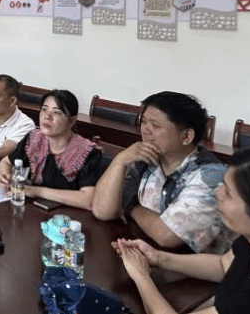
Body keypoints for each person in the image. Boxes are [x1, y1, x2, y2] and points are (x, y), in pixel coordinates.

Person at [114, 146, 250, 314]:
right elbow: (223, 265)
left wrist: (140, 275)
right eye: (222, 185)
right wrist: (159, 258)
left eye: (228, 193)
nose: (217, 193)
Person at [92, 91, 232, 252]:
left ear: (186, 136)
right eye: (144, 122)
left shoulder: (211, 175)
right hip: (149, 253)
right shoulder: (145, 159)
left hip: (191, 263)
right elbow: (102, 211)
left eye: (155, 125)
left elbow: (167, 235)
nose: (145, 130)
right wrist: (120, 161)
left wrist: (131, 206)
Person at [0, 89, 102, 209]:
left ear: (72, 121)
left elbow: (88, 200)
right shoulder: (33, 139)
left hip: (68, 217)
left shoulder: (87, 152)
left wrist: (36, 191)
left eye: (56, 112)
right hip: (33, 212)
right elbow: (6, 162)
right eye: (44, 109)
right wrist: (6, 178)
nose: (47, 116)